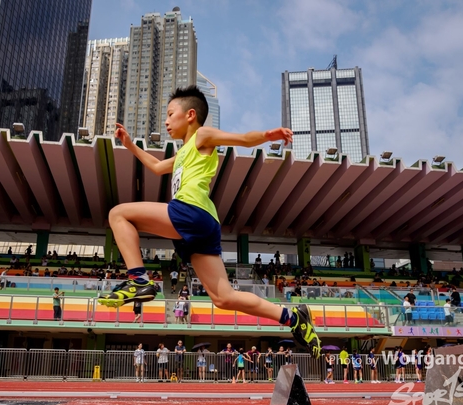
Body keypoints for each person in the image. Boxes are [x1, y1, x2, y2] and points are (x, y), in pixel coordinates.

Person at [96, 86, 320, 358]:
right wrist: (130, 145)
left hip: (191, 211)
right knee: (224, 298)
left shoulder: (202, 135)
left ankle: (138, 280)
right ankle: (294, 318)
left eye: (170, 114)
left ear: (190, 114)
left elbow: (242, 139)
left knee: (118, 214)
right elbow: (156, 168)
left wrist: (267, 135)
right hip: (203, 224)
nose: (166, 121)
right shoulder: (182, 154)